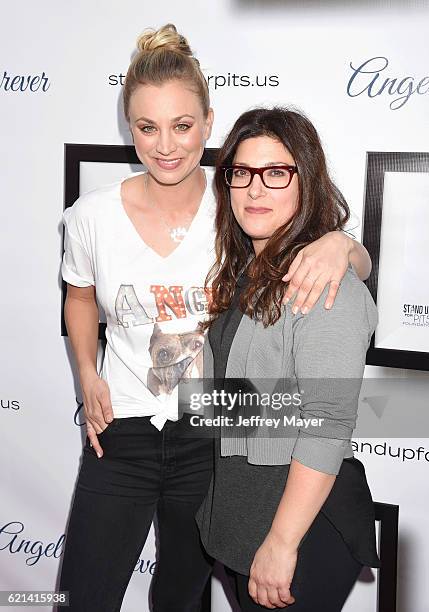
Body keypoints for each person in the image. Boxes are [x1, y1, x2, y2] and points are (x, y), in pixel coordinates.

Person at [59, 24, 373, 612]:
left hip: (208, 433)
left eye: (182, 125)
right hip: (121, 429)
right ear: (129, 126)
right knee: (81, 596)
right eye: (146, 127)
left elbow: (328, 258)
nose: (166, 145)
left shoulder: (234, 207)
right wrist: (86, 371)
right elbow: (78, 294)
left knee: (180, 597)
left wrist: (341, 244)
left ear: (208, 121)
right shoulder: (92, 217)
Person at [196, 107, 380, 611]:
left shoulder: (325, 286)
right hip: (242, 514)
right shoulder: (246, 271)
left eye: (276, 173)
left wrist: (281, 543)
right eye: (242, 172)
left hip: (299, 531)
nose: (255, 190)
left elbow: (327, 424)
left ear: (307, 181)